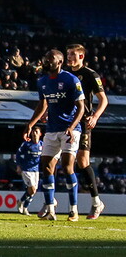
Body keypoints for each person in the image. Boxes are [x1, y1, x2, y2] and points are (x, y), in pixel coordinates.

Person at [23, 49, 86, 221]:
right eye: (45, 58)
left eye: (50, 59)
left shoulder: (70, 80)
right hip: (51, 130)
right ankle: (50, 209)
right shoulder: (42, 81)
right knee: (47, 168)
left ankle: (73, 209)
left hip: (70, 129)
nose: (45, 61)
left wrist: (72, 127)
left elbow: (81, 107)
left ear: (59, 62)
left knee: (67, 167)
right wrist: (30, 124)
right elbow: (42, 104)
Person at [65, 44, 108, 219]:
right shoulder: (64, 75)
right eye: (68, 54)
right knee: (57, 160)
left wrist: (95, 116)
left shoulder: (90, 75)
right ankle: (50, 203)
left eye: (73, 55)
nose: (69, 57)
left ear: (81, 57)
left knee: (82, 162)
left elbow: (103, 99)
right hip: (65, 121)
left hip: (83, 123)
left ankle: (96, 202)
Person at [16, 126, 43, 215]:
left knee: (33, 191)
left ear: (40, 134)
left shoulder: (42, 145)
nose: (34, 133)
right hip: (26, 169)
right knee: (32, 189)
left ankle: (25, 207)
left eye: (36, 131)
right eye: (33, 131)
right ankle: (21, 202)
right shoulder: (26, 144)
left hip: (36, 170)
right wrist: (18, 166)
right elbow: (18, 154)